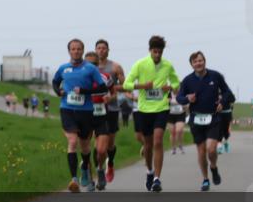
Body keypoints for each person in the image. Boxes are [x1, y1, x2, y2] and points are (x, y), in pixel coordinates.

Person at [123, 35, 181, 193]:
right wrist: (142, 85)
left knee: (157, 141)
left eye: (160, 52)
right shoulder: (140, 64)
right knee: (148, 145)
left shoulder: (167, 65)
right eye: (155, 51)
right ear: (150, 50)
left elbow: (176, 83)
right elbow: (126, 84)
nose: (157, 55)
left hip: (161, 108)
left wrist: (170, 87)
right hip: (144, 109)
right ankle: (149, 171)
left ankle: (157, 178)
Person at [52, 40, 108, 193]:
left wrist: (85, 91)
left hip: (86, 111)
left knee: (85, 147)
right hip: (67, 109)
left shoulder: (90, 68)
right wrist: (59, 92)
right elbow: (55, 82)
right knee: (72, 141)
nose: (76, 51)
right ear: (69, 51)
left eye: (78, 49)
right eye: (73, 49)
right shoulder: (64, 68)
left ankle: (85, 168)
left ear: (82, 51)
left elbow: (103, 87)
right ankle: (74, 180)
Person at [176, 51, 233, 191]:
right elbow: (179, 97)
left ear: (205, 61)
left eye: (200, 60)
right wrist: (187, 98)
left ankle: (213, 167)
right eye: (195, 61)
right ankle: (205, 179)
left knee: (211, 149)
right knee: (201, 152)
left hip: (213, 117)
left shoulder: (215, 76)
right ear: (191, 64)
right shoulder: (187, 80)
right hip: (196, 118)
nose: (198, 63)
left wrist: (222, 102)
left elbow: (228, 93)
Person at [94, 39, 125, 183]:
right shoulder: (90, 67)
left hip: (111, 107)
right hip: (95, 108)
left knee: (110, 143)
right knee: (98, 143)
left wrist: (109, 88)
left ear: (108, 50)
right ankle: (98, 170)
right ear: (95, 50)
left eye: (104, 48)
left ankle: (110, 163)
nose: (101, 50)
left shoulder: (115, 67)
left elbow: (125, 86)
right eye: (98, 48)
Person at [84, 51, 113, 190]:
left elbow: (113, 92)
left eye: (94, 64)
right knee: (86, 150)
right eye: (88, 64)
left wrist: (110, 98)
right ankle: (89, 179)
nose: (92, 66)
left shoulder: (105, 77)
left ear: (98, 65)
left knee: (101, 150)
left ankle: (100, 169)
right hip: (84, 116)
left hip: (101, 116)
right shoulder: (79, 78)